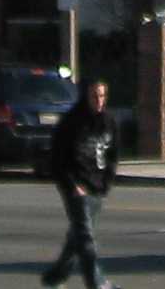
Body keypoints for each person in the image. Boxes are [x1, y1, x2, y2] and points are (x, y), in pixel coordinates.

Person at [43, 75, 116, 289]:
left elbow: (113, 154)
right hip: (77, 188)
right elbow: (57, 160)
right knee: (86, 238)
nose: (99, 100)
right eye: (94, 96)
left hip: (97, 188)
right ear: (85, 96)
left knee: (77, 237)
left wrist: (106, 182)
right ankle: (97, 282)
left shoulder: (109, 122)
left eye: (102, 95)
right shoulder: (71, 123)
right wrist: (72, 185)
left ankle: (55, 277)